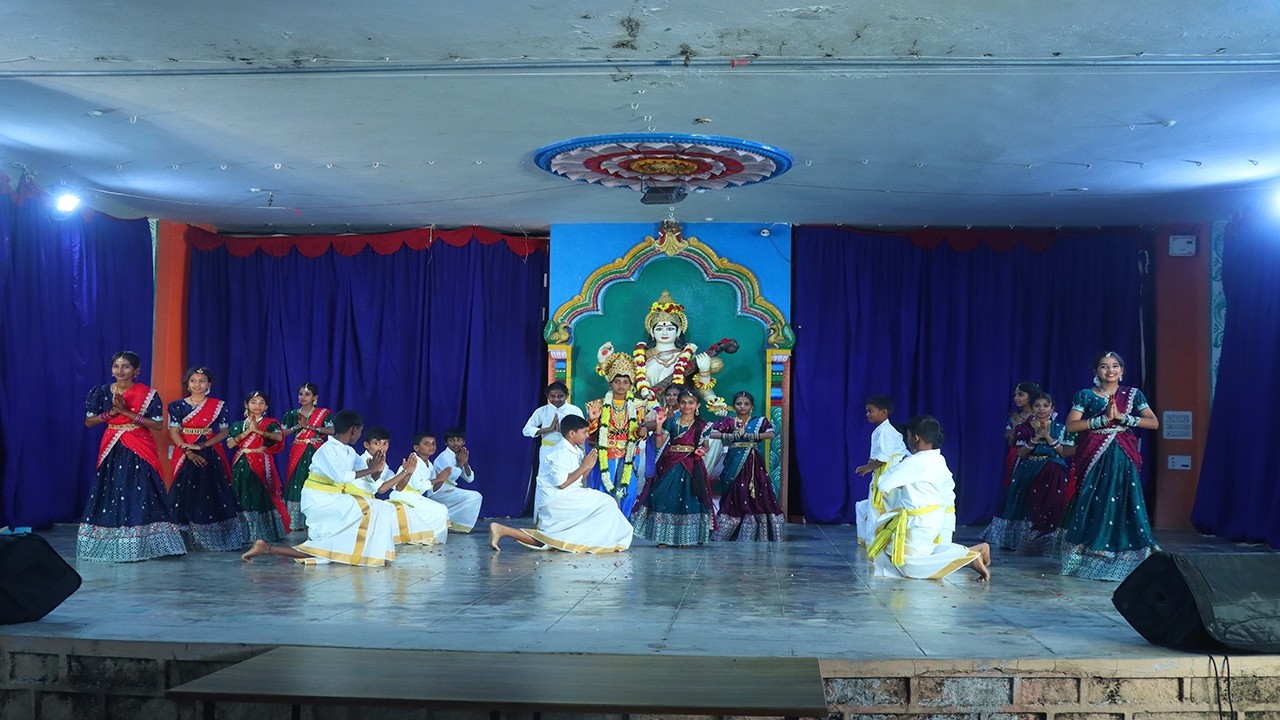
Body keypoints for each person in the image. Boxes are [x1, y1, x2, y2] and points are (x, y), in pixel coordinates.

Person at [241, 409, 400, 565]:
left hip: (335, 499)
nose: (359, 434)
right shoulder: (327, 450)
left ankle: (265, 548)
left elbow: (368, 476)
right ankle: (367, 553)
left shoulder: (350, 452)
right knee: (372, 508)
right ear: (353, 430)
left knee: (324, 554)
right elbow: (340, 476)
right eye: (360, 431)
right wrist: (371, 469)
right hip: (318, 500)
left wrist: (376, 470)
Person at [1059, 351, 1160, 581]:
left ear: (1122, 371)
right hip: (1094, 455)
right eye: (1104, 366)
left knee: (1126, 499)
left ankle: (1130, 557)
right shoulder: (1085, 395)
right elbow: (1071, 426)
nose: (1110, 370)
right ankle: (1090, 556)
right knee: (1095, 499)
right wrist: (1102, 421)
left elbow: (1153, 422)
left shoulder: (1133, 394)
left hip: (1123, 454)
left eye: (1115, 366)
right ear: (1096, 372)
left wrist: (1124, 419)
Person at [80, 351, 186, 562]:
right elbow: (89, 422)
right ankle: (110, 542)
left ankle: (143, 544)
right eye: (116, 366)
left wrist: (126, 413)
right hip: (112, 445)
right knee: (111, 488)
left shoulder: (148, 394)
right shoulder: (101, 392)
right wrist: (110, 414)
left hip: (139, 445)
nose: (120, 370)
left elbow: (157, 424)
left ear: (136, 371)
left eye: (126, 366)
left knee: (141, 489)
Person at [868, 415, 990, 581]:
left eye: (909, 436)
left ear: (916, 438)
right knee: (922, 550)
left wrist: (896, 466)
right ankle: (971, 552)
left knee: (911, 566)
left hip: (919, 521)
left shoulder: (914, 463)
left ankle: (970, 556)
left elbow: (883, 484)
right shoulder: (938, 458)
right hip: (934, 518)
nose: (908, 440)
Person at [489, 415, 633, 553]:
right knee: (606, 503)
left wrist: (589, 466)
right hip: (556, 499)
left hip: (571, 493)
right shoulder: (560, 451)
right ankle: (502, 530)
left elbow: (580, 479)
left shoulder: (575, 449)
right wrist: (584, 466)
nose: (587, 436)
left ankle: (502, 530)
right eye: (584, 432)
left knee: (555, 541)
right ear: (572, 433)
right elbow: (562, 484)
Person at [983, 393, 1075, 554]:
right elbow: (1021, 453)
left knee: (1051, 506)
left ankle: (1047, 546)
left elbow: (1064, 452)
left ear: (1052, 408)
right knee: (1027, 506)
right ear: (1032, 408)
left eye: (1046, 406)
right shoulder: (1023, 428)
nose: (1041, 409)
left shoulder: (1060, 428)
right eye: (1037, 406)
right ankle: (1025, 544)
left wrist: (1047, 437)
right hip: (1028, 470)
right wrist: (1036, 438)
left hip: (1053, 470)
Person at [166, 366, 245, 551]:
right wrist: (189, 452)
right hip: (184, 452)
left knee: (211, 492)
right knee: (183, 494)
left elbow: (224, 432)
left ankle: (217, 540)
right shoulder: (177, 406)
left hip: (210, 452)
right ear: (188, 384)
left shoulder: (218, 405)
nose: (197, 384)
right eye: (193, 381)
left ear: (209, 384)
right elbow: (173, 431)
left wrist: (201, 446)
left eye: (202, 381)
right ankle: (183, 541)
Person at [629, 389, 714, 547]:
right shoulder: (672, 422)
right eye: (683, 402)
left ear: (697, 405)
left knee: (689, 498)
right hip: (670, 463)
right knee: (662, 496)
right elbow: (659, 444)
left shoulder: (703, 425)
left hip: (691, 465)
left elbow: (706, 445)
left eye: (690, 403)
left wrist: (702, 450)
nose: (686, 406)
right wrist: (659, 425)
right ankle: (664, 537)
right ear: (679, 404)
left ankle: (685, 539)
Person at [709, 391, 784, 541]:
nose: (742, 407)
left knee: (756, 489)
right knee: (734, 489)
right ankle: (731, 528)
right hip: (733, 461)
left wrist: (754, 436)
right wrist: (728, 436)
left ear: (752, 407)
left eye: (746, 404)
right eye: (739, 404)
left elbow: (771, 434)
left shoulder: (759, 421)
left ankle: (757, 528)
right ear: (734, 406)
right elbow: (712, 433)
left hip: (753, 461)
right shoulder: (729, 421)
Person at [356, 427, 448, 546]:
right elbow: (381, 489)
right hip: (357, 499)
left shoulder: (384, 463)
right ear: (366, 445)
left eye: (385, 443)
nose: (382, 447)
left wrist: (407, 473)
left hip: (372, 499)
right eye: (377, 443)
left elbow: (398, 487)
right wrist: (404, 472)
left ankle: (428, 538)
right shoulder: (363, 461)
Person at [585, 352, 649, 515]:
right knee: (603, 489)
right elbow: (591, 435)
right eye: (617, 381)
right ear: (610, 383)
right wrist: (592, 420)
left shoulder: (639, 406)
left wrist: (642, 433)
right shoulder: (597, 405)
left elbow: (640, 433)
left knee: (630, 491)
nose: (621, 385)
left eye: (625, 382)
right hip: (606, 454)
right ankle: (603, 522)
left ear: (631, 384)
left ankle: (624, 522)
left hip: (628, 454)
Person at [226, 391, 290, 542]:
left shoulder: (270, 423)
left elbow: (278, 437)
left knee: (261, 494)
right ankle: (243, 534)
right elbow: (230, 444)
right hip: (241, 463)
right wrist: (250, 430)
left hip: (261, 462)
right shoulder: (238, 425)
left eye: (261, 402)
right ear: (246, 405)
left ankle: (263, 534)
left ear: (266, 406)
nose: (257, 406)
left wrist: (258, 431)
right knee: (241, 494)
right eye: (253, 402)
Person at [854, 396, 909, 549]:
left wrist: (869, 467)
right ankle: (871, 540)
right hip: (883, 472)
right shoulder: (881, 430)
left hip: (887, 474)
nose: (867, 414)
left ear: (883, 412)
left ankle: (876, 543)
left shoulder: (887, 432)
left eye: (870, 411)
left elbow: (884, 457)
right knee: (870, 507)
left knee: (876, 508)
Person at [281, 383, 334, 532]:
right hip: (298, 450)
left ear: (315, 397)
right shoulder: (291, 414)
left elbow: (332, 430)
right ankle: (296, 522)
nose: (303, 397)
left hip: (316, 452)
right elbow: (282, 434)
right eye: (301, 394)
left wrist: (310, 427)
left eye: (307, 394)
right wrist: (297, 427)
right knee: (297, 481)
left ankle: (316, 519)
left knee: (315, 481)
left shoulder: (323, 414)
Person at [429, 427, 484, 532]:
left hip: (448, 490)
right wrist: (460, 463)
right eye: (451, 440)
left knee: (476, 497)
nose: (456, 443)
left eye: (459, 440)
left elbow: (470, 478)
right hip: (438, 491)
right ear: (446, 442)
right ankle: (448, 523)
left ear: (464, 442)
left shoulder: (460, 456)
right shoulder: (444, 457)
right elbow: (451, 476)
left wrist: (466, 463)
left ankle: (450, 523)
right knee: (475, 496)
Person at [522, 381, 585, 464]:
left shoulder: (574, 410)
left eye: (560, 396)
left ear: (567, 396)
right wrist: (549, 429)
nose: (556, 399)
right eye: (552, 396)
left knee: (569, 476)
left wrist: (564, 431)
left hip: (569, 451)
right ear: (547, 396)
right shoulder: (542, 411)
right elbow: (526, 430)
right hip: (548, 451)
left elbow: (583, 432)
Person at [1002, 381, 1042, 490]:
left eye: (1020, 394)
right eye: (1015, 394)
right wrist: (1016, 427)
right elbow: (1011, 443)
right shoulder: (1014, 418)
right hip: (1016, 457)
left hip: (1035, 458)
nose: (1016, 398)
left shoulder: (1040, 416)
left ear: (1031, 396)